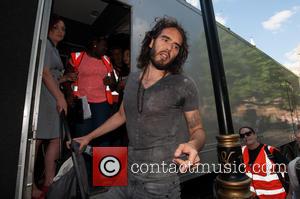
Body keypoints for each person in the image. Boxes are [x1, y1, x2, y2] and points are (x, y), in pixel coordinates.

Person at [73, 17, 206, 198]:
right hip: (127, 174)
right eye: (165, 40)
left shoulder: (183, 84)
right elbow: (121, 115)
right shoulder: (133, 80)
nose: (169, 48)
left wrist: (193, 145)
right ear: (151, 41)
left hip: (160, 184)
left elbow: (197, 129)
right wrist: (88, 137)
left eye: (176, 46)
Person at [65, 36, 118, 192]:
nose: (105, 49)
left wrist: (111, 82)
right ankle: (84, 180)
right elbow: (67, 78)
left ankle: (103, 179)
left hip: (102, 104)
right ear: (94, 44)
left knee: (103, 140)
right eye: (103, 46)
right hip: (82, 104)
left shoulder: (106, 60)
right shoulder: (77, 57)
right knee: (83, 140)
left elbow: (115, 82)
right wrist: (68, 95)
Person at [33, 15, 73, 199]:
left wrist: (64, 79)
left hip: (51, 97)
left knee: (56, 138)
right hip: (47, 98)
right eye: (56, 27)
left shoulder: (54, 49)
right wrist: (60, 97)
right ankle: (30, 185)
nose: (60, 31)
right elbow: (44, 73)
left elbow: (53, 75)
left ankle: (49, 180)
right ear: (48, 28)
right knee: (37, 141)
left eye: (63, 29)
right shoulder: (47, 45)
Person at [239, 126, 289, 199]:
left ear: (255, 135)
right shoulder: (242, 152)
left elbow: (290, 170)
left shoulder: (270, 151)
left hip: (277, 196)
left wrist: (290, 192)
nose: (245, 137)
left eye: (248, 134)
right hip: (255, 196)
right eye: (242, 136)